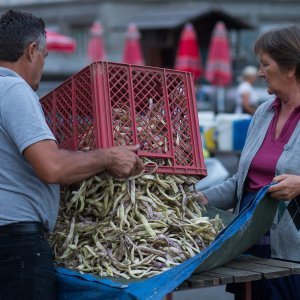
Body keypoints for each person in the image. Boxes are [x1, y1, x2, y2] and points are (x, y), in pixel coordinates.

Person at [0, 10, 144, 300]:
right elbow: (52, 167)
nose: (43, 63)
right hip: (16, 248)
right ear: (31, 52)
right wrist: (108, 157)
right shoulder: (14, 88)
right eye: (45, 55)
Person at [191, 24, 300, 300]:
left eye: (265, 64)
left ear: (291, 68)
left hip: (293, 254)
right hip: (250, 246)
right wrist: (202, 198)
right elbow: (243, 182)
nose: (260, 73)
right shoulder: (264, 112)